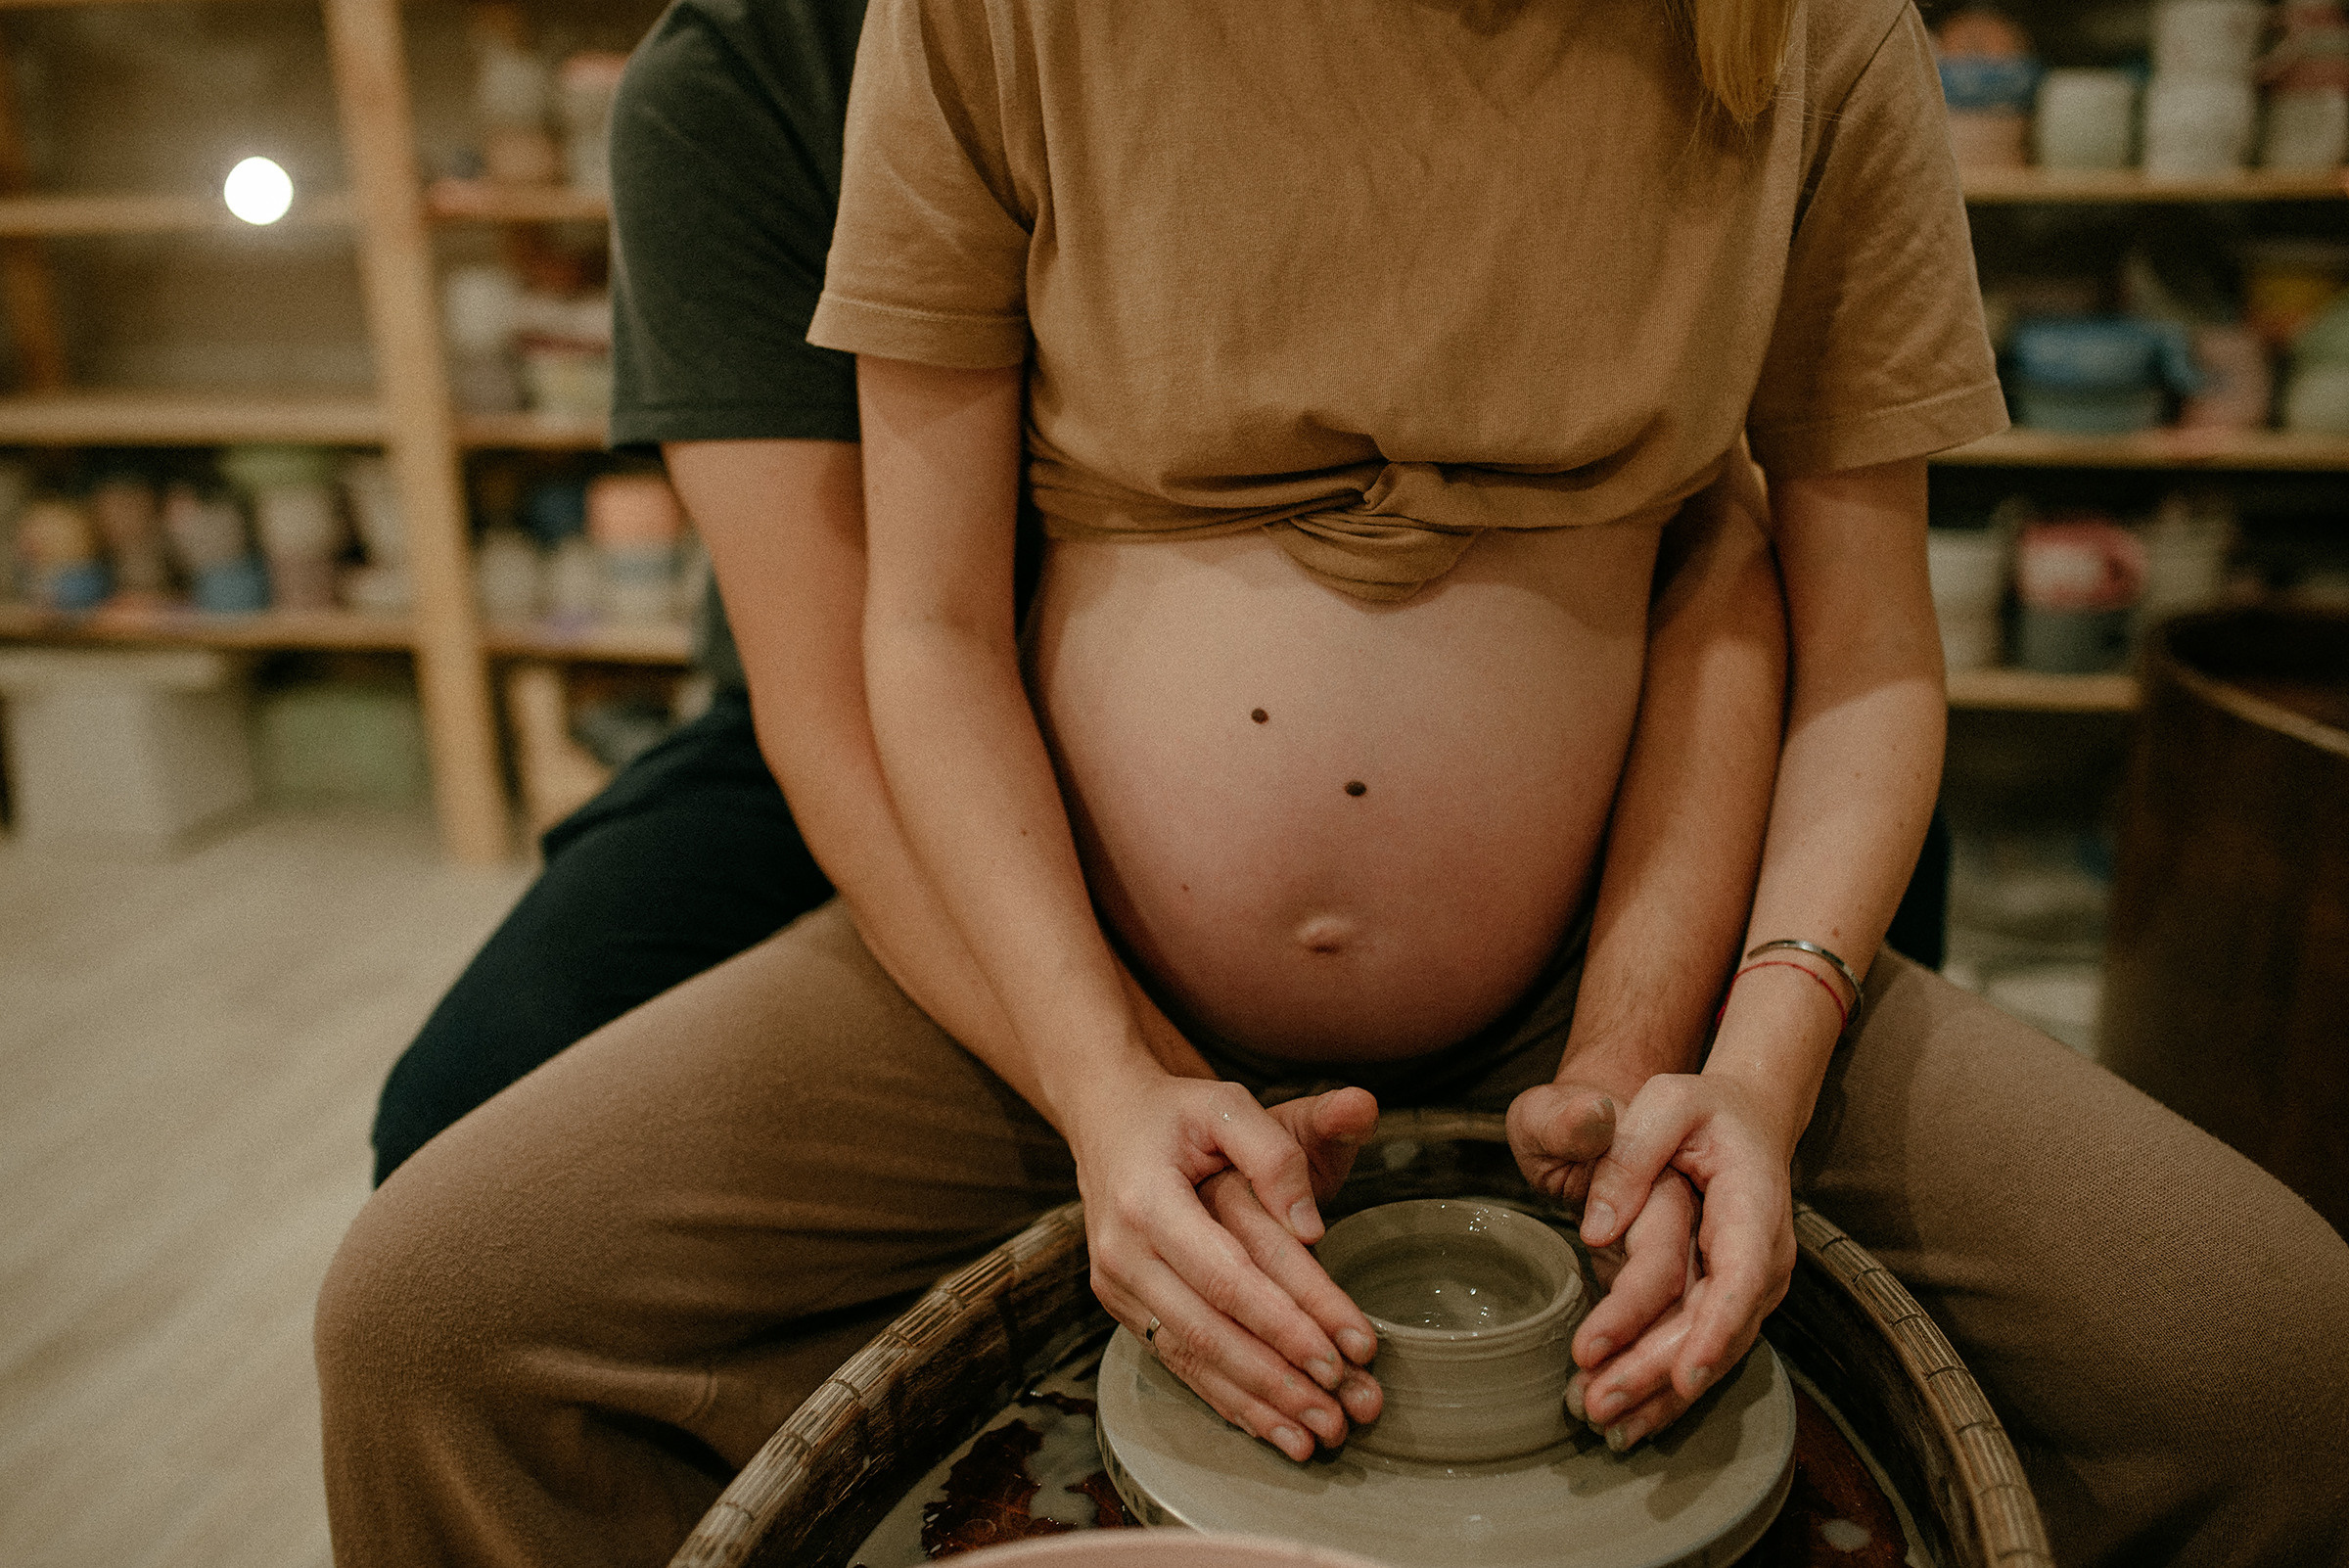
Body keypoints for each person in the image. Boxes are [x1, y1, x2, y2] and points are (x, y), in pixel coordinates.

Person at [316, 3, 2349, 1567]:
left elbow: (1862, 647)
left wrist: (1746, 1068)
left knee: (2278, 1364)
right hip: (1074, 968)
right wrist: (1102, 1080)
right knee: (440, 1321)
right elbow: (913, 638)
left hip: (1600, 978)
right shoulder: (958, 28)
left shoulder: (1809, 36)